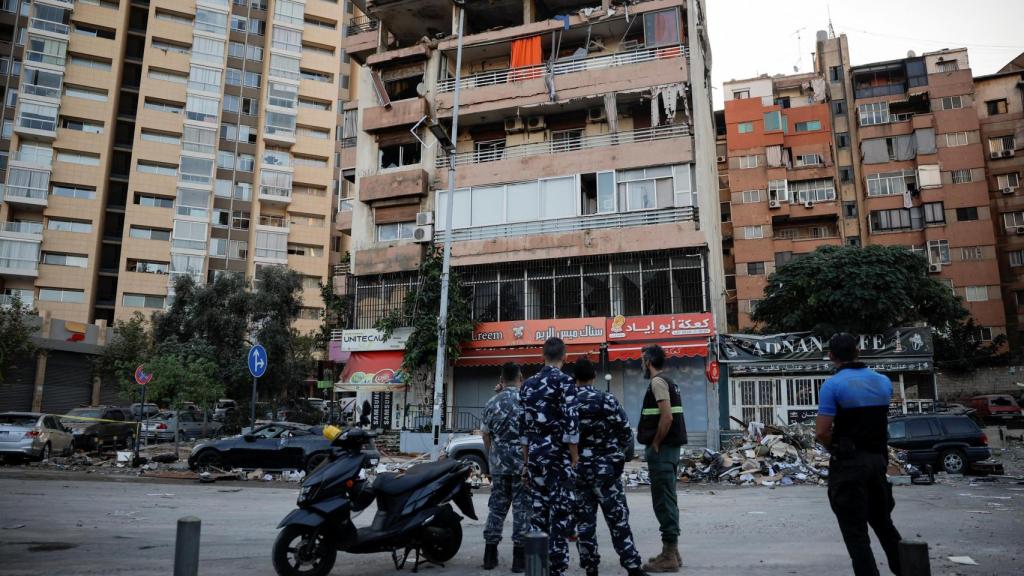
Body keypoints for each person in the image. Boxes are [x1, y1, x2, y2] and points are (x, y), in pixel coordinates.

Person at [816, 333, 903, 576]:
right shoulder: (883, 382)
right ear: (858, 352)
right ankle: (907, 569)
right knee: (884, 524)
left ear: (832, 356)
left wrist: (834, 448)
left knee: (856, 535)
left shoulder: (833, 385)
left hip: (849, 466)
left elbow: (822, 431)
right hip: (878, 462)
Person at [573, 357, 647, 576]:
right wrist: (620, 458)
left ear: (574, 378)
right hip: (607, 472)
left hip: (580, 472)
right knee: (618, 519)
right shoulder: (607, 399)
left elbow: (562, 438)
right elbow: (625, 433)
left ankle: (590, 567)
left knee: (585, 522)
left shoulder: (567, 403)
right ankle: (633, 566)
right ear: (594, 377)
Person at [519, 337, 579, 576]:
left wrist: (526, 462)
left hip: (535, 457)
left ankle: (536, 567)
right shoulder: (566, 382)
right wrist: (574, 458)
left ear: (542, 356)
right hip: (558, 458)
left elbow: (523, 429)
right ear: (565, 356)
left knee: (538, 513)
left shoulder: (528, 385)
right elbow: (571, 424)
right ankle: (556, 569)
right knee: (560, 514)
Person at [637, 344, 686, 573]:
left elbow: (666, 417)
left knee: (663, 501)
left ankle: (669, 555)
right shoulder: (669, 381)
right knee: (668, 498)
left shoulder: (658, 382)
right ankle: (672, 551)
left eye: (641, 359)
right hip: (669, 451)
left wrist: (656, 443)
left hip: (663, 451)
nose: (640, 364)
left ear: (648, 361)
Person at [480, 362, 529, 572]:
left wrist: (493, 458)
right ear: (520, 378)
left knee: (497, 509)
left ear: (501, 379)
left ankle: (489, 556)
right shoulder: (527, 401)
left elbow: (485, 434)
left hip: (499, 464)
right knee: (522, 510)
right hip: (522, 465)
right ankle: (519, 560)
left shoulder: (492, 402)